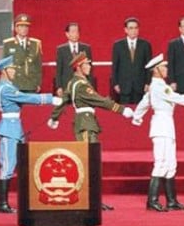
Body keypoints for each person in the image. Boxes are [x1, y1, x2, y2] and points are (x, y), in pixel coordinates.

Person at [0, 56, 61, 214]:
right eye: (11, 69)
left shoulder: (1, 88)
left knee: (15, 164)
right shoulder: (6, 89)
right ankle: (2, 204)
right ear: (4, 71)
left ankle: (8, 202)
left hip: (14, 129)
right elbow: (25, 98)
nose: (14, 71)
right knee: (8, 166)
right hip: (9, 130)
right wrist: (49, 99)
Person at [49, 51, 134, 211]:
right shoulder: (81, 85)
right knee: (90, 162)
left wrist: (54, 117)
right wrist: (121, 110)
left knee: (89, 162)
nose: (90, 66)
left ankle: (92, 200)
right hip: (86, 124)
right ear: (79, 67)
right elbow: (99, 100)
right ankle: (91, 201)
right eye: (87, 64)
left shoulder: (72, 83)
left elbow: (63, 101)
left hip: (85, 123)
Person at [132, 54, 184, 211]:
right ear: (156, 70)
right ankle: (152, 201)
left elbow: (144, 103)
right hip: (162, 127)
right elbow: (181, 99)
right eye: (163, 67)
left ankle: (172, 200)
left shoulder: (154, 88)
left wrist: (137, 117)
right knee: (161, 163)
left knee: (171, 164)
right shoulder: (160, 87)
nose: (166, 69)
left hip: (165, 127)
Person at [111, 17, 152, 103]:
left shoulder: (145, 45)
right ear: (125, 30)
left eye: (136, 28)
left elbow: (149, 66)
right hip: (124, 87)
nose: (133, 30)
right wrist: (115, 83)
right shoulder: (118, 45)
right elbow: (115, 66)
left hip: (141, 87)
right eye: (131, 28)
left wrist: (148, 83)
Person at [1, 14, 43, 92]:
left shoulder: (35, 44)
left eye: (26, 27)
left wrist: (38, 83)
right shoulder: (8, 44)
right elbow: (4, 66)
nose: (24, 29)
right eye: (21, 26)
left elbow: (38, 67)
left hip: (30, 84)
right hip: (14, 84)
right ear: (16, 28)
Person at [54, 23, 93, 96]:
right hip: (66, 85)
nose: (75, 34)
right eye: (73, 32)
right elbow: (58, 70)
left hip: (82, 85)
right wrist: (59, 87)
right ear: (67, 34)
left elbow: (90, 69)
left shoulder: (86, 48)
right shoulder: (61, 49)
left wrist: (90, 85)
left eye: (77, 32)